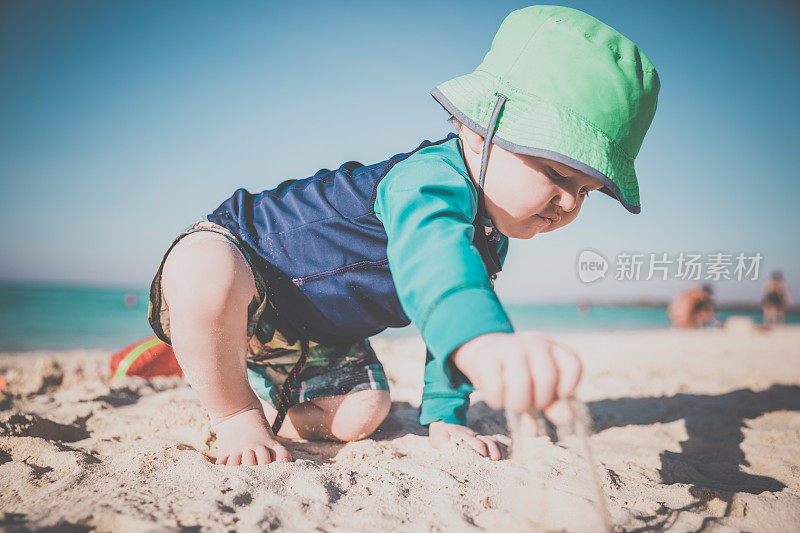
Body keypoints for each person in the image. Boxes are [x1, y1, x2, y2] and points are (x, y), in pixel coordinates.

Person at [147, 5, 660, 465]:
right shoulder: (427, 180)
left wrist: (447, 416)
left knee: (363, 415)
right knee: (204, 273)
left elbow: (447, 317)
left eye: (587, 191)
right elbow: (439, 272)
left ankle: (230, 368)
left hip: (315, 333)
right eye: (557, 173)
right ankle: (231, 404)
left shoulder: (491, 237)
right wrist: (483, 342)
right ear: (479, 133)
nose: (570, 202)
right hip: (244, 262)